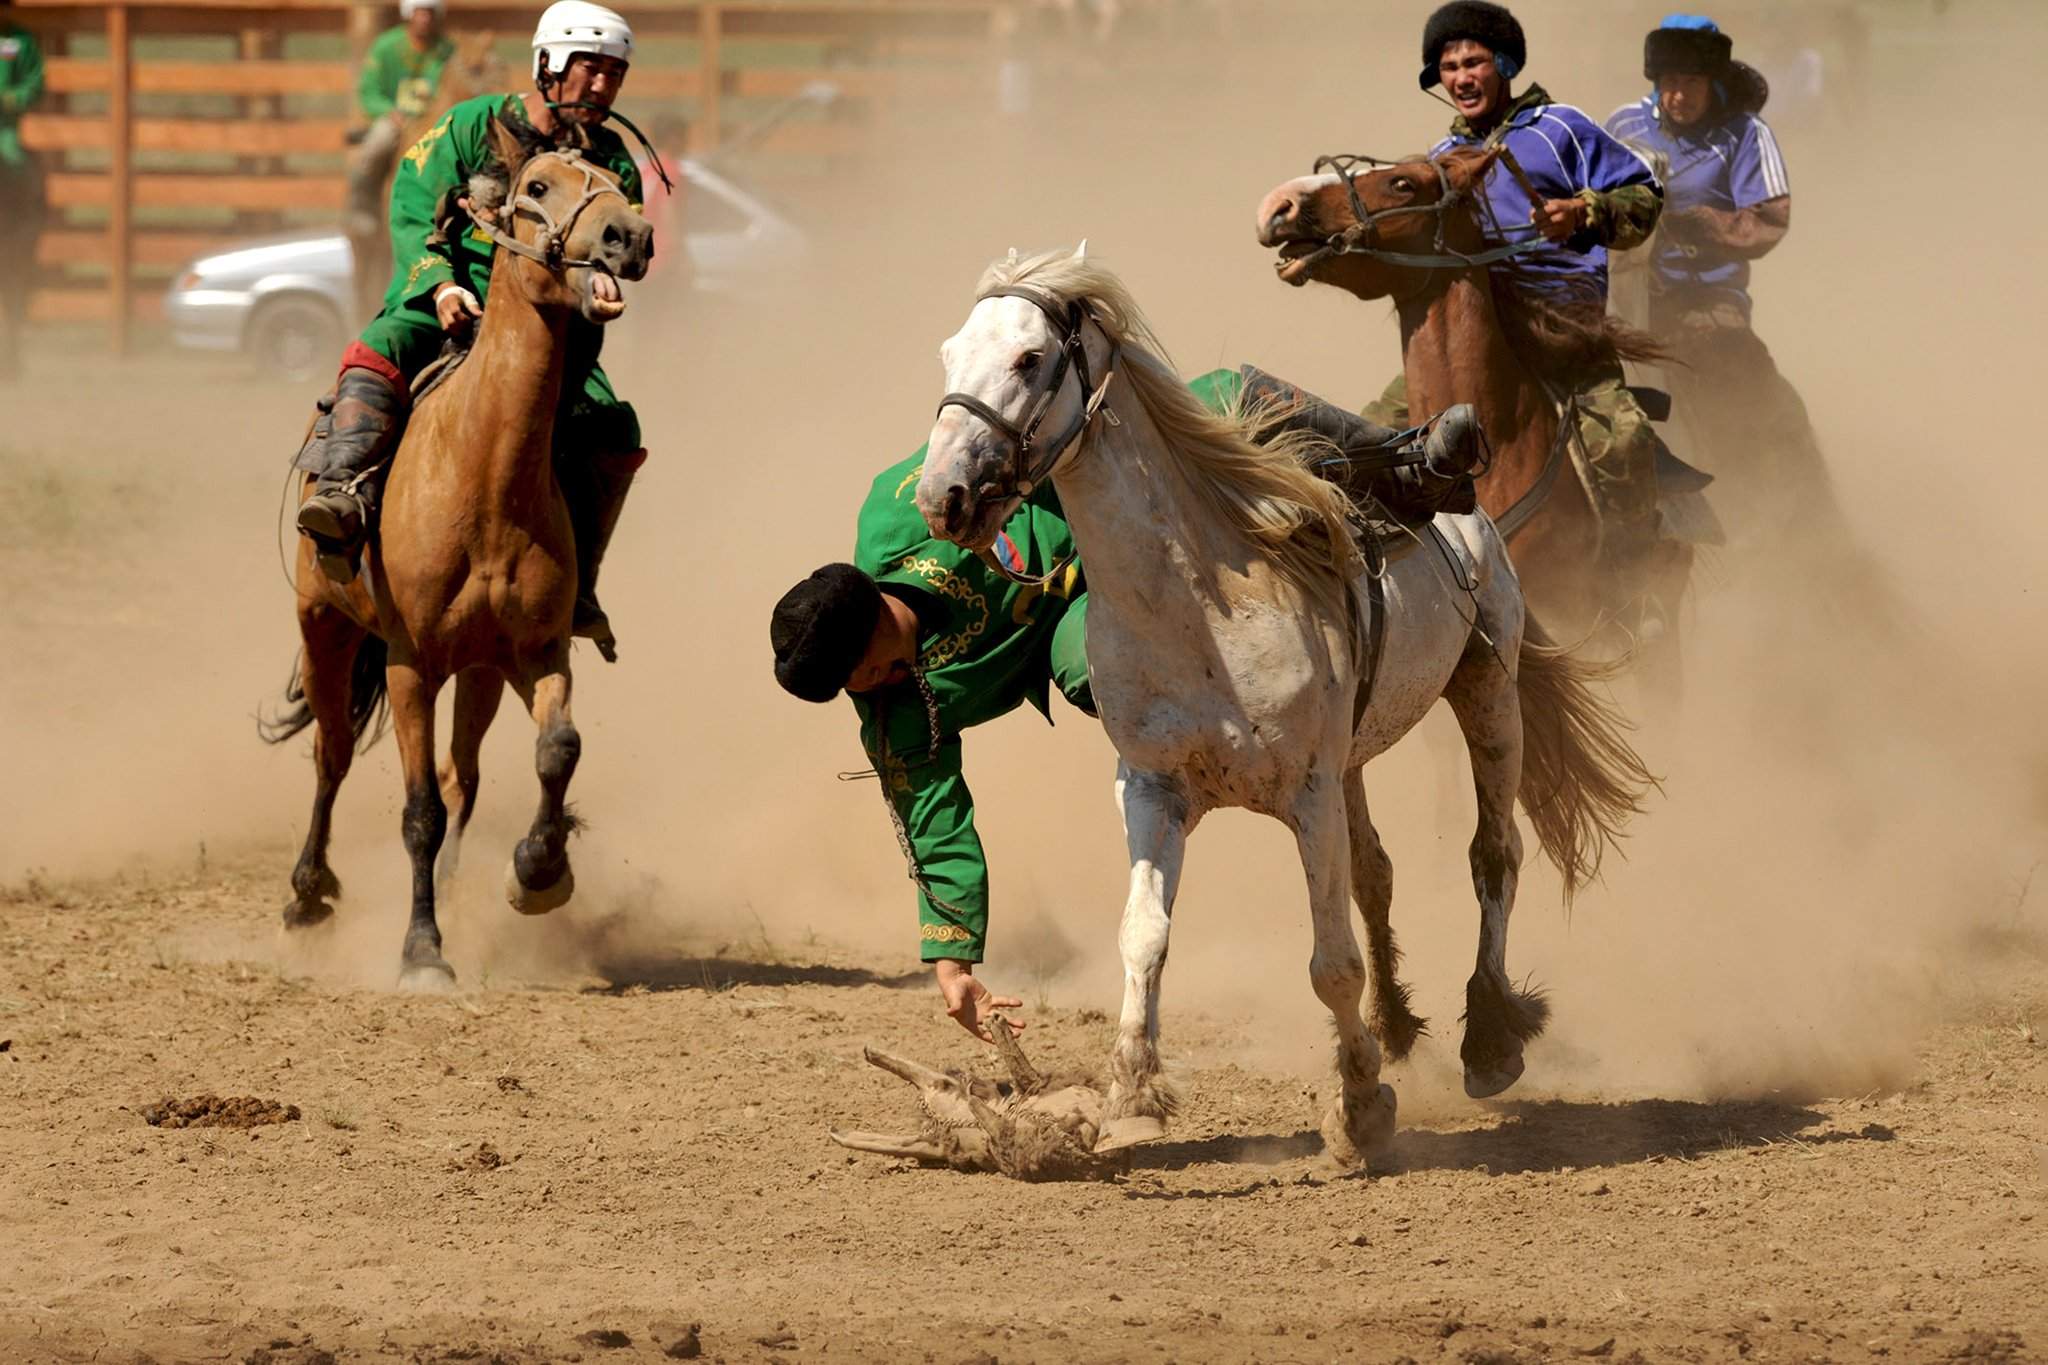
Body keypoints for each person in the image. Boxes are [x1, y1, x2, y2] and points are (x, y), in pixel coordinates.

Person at [770, 369, 1482, 1041]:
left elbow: (995, 446)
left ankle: (1402, 458)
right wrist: (951, 962)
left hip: (1091, 507)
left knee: (1226, 390)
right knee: (1101, 678)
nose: (856, 697)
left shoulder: (899, 510)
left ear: (866, 648)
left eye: (849, 680)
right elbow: (932, 816)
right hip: (1074, 616)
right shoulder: (897, 709)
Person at [294, 1, 647, 660]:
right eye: (590, 69)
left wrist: (602, 280)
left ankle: (580, 582)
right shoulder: (472, 124)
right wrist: (440, 282)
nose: (603, 86)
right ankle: (342, 502)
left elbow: (622, 242)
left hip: (550, 330)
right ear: (548, 64)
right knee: (376, 351)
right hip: (450, 300)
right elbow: (409, 196)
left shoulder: (613, 162)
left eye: (614, 74)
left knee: (614, 430)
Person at [1365, 1, 1669, 626]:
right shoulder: (1443, 155)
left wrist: (1582, 212)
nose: (1460, 76)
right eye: (1447, 67)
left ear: (1502, 65)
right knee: (1374, 433)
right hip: (1475, 337)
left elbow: (1646, 196)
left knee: (1624, 438)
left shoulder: (1561, 130)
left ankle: (1640, 591)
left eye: (1472, 60)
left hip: (1563, 328)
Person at [1605, 15, 1830, 525]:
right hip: (1622, 293)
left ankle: (1764, 507)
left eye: (1691, 82)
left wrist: (1691, 224)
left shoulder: (1744, 134)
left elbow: (1770, 218)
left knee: (1745, 394)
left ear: (1713, 83)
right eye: (1668, 82)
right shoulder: (1622, 125)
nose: (1678, 95)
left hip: (1706, 301)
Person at [343, 0, 456, 248]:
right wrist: (388, 112)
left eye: (429, 12)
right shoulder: (386, 47)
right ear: (409, 14)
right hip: (396, 121)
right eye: (420, 12)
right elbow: (368, 91)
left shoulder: (446, 50)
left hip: (433, 122)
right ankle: (363, 204)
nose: (424, 18)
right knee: (379, 142)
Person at [0, 0, 46, 382]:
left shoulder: (17, 41)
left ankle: (22, 225)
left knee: (16, 163)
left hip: (4, 132)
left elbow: (34, 82)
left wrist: (11, 98)